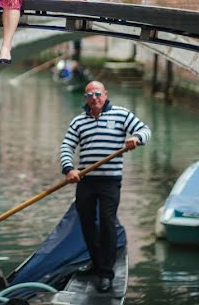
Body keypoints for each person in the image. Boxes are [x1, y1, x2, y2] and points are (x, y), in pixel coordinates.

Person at [60, 81, 150, 293]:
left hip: (110, 181)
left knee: (108, 223)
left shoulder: (121, 114)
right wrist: (68, 169)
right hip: (86, 181)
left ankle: (106, 273)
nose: (94, 98)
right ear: (85, 98)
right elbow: (67, 145)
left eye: (98, 94)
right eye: (90, 95)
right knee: (87, 223)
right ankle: (97, 263)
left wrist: (136, 138)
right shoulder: (79, 121)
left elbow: (144, 130)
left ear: (105, 94)